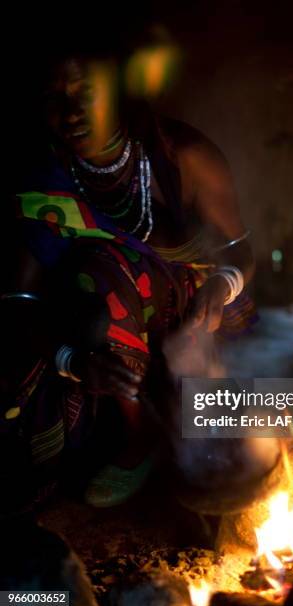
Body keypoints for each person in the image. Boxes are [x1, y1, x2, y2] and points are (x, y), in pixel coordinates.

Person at [0, 46, 256, 511]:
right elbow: (18, 302)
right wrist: (73, 362)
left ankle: (204, 417)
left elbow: (242, 255)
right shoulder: (44, 180)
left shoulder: (185, 157)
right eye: (55, 97)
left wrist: (222, 287)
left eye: (87, 92)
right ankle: (138, 435)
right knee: (94, 278)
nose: (72, 111)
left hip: (192, 306)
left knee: (231, 407)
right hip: (108, 316)